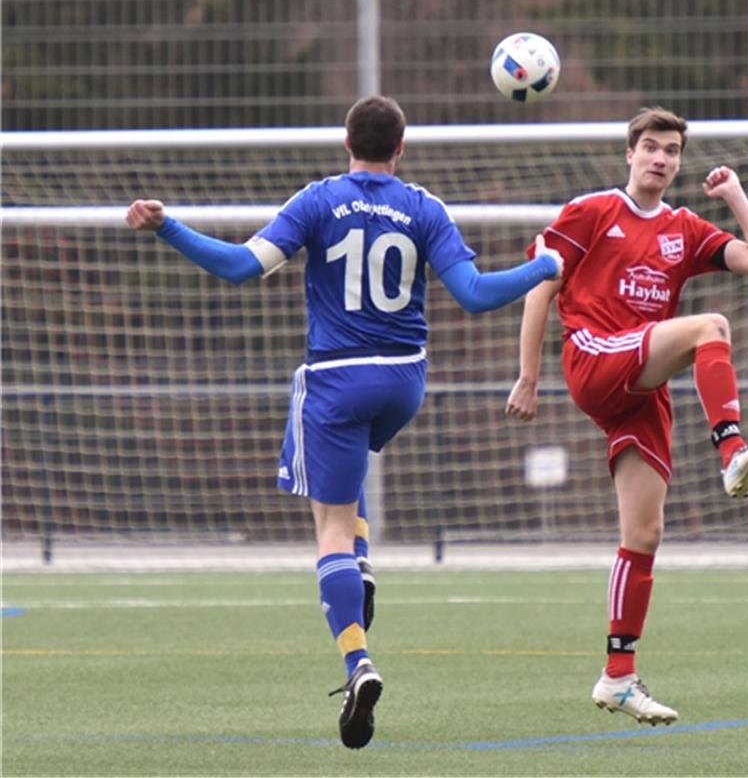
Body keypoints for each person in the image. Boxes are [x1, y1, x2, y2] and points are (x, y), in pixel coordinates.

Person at [125, 94, 564, 749]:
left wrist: (168, 227)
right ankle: (358, 569)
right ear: (402, 148)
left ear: (346, 142)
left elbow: (243, 268)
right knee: (348, 480)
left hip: (335, 379)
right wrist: (550, 264)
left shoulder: (319, 201)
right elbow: (474, 297)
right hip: (404, 380)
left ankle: (357, 660)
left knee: (327, 526)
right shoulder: (424, 207)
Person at [505, 106, 748, 726]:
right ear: (629, 154)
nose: (661, 158)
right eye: (651, 147)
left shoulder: (684, 228)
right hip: (594, 357)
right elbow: (539, 286)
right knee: (711, 325)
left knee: (644, 535)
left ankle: (618, 676)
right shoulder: (593, 211)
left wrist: (735, 194)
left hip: (641, 384)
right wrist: (528, 375)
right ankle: (731, 451)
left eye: (672, 151)